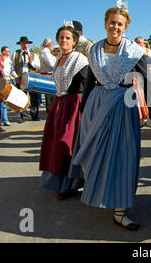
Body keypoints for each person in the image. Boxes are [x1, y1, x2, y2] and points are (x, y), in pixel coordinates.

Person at [69, 0, 151, 231]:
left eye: (120, 24)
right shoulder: (94, 49)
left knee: (123, 156)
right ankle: (98, 192)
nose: (115, 27)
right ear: (105, 23)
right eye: (112, 23)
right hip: (96, 105)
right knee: (95, 152)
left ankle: (121, 210)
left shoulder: (134, 51)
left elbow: (147, 81)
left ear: (125, 27)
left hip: (123, 105)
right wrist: (83, 108)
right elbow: (89, 81)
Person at [39, 26, 89, 200]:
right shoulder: (59, 59)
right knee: (55, 143)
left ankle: (71, 184)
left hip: (73, 105)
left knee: (66, 144)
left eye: (68, 38)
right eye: (61, 37)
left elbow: (86, 84)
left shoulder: (79, 59)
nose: (64, 40)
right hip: (59, 104)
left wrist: (85, 108)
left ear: (74, 41)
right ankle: (58, 181)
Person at [11, 36, 41, 121]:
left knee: (34, 97)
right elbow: (12, 67)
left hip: (31, 78)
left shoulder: (33, 54)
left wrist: (31, 62)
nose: (25, 45)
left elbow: (38, 67)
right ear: (20, 44)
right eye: (23, 43)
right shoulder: (15, 54)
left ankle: (34, 115)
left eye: (26, 43)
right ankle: (23, 114)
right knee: (21, 97)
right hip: (20, 77)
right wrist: (16, 76)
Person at [39, 38, 57, 113]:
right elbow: (51, 64)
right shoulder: (45, 53)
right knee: (49, 95)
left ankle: (51, 110)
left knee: (51, 95)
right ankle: (50, 111)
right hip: (48, 75)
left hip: (49, 74)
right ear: (49, 44)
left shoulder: (46, 53)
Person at [0, 46, 14, 126]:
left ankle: (4, 118)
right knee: (3, 101)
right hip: (3, 80)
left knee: (7, 100)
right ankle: (4, 119)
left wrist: (15, 77)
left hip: (9, 80)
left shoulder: (9, 60)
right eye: (7, 51)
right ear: (3, 52)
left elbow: (11, 70)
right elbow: (2, 72)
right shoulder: (0, 59)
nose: (9, 52)